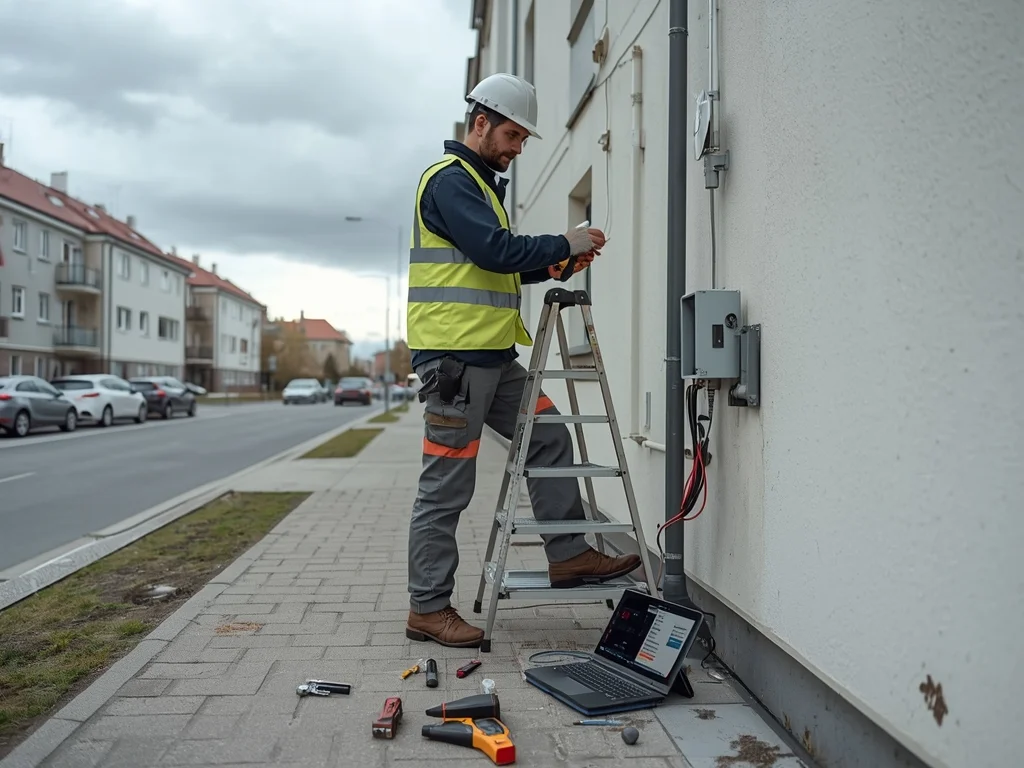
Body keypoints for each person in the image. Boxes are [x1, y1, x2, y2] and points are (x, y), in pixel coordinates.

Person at [404, 73, 643, 648]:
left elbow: (497, 264)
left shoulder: (481, 187)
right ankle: (428, 609)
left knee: (549, 435)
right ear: (480, 122)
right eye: (513, 135)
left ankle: (568, 555)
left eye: (524, 140)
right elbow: (494, 250)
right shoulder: (451, 182)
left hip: (493, 362)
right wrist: (564, 244)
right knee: (446, 488)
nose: (517, 149)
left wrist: (553, 266)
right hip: (455, 367)